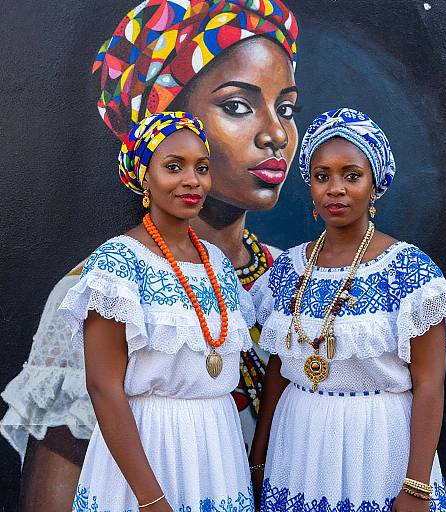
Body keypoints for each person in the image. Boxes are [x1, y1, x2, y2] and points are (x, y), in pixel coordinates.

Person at [0, 1, 299, 508]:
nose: (274, 134)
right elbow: (52, 494)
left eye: (286, 108)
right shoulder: (100, 285)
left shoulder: (289, 277)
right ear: (160, 126)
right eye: (237, 106)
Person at [249, 108, 446, 512]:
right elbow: (278, 374)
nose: (336, 189)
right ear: (310, 186)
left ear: (374, 185)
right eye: (322, 176)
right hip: (297, 442)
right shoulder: (288, 269)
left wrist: (417, 486)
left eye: (352, 175)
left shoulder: (409, 271)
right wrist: (259, 455)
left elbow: (429, 385)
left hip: (378, 446)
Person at [58, 111, 255, 511]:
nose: (191, 181)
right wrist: (150, 500)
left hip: (218, 449)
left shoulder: (217, 264)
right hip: (147, 451)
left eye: (202, 168)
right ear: (144, 177)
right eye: (173, 167)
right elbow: (103, 386)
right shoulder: (117, 263)